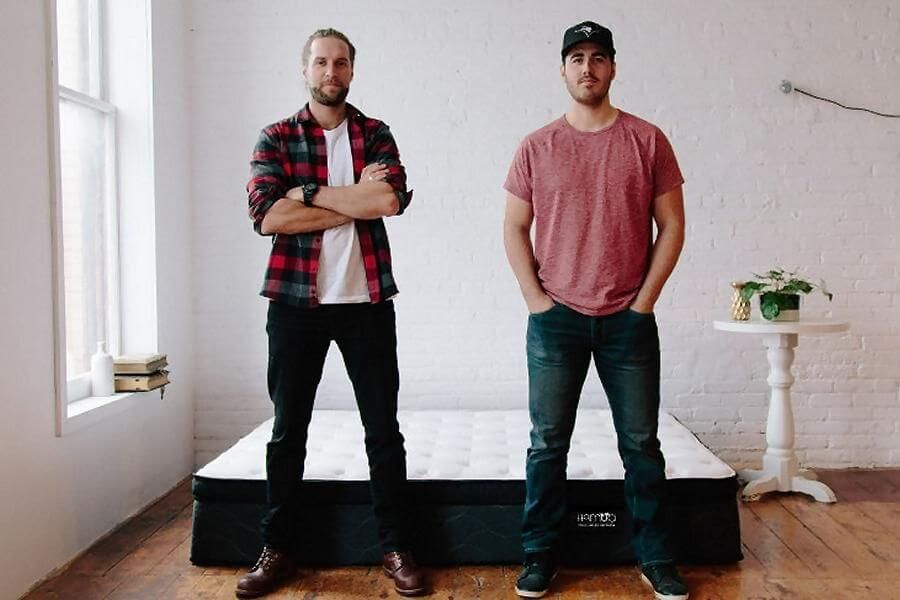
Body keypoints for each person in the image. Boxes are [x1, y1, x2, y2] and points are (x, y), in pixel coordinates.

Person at [503, 21, 689, 600]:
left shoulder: (648, 140)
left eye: (599, 58)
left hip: (627, 321)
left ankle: (655, 557)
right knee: (546, 445)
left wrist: (644, 303)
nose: (588, 68)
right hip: (555, 318)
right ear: (562, 69)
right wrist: (536, 300)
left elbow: (673, 225)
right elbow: (513, 227)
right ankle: (539, 556)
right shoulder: (537, 146)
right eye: (577, 58)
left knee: (640, 444)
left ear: (613, 68)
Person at [238, 28, 426, 599]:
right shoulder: (276, 136)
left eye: (340, 62)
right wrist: (350, 197)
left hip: (365, 303)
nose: (330, 71)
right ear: (305, 70)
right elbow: (268, 218)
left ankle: (395, 546)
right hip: (296, 304)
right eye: (320, 61)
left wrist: (309, 195)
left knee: (382, 431)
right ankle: (277, 549)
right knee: (288, 430)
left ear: (352, 70)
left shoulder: (376, 133)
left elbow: (388, 201)